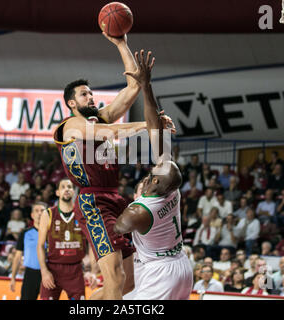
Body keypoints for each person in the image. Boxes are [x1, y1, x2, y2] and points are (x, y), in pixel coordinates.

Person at [52, 35, 172, 300]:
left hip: (115, 197)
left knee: (126, 283)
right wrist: (146, 124)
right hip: (92, 201)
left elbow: (132, 87)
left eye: (91, 92)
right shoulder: (69, 126)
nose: (90, 96)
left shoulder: (99, 116)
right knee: (115, 278)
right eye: (84, 94)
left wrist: (121, 43)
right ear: (72, 103)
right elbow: (106, 132)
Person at [113, 50, 191, 300]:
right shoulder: (171, 189)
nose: (151, 167)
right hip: (179, 265)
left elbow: (118, 226)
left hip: (161, 273)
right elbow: (153, 129)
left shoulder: (139, 211)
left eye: (153, 170)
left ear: (155, 181)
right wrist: (146, 86)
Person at [37, 178, 89, 300]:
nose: (67, 189)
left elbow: (91, 242)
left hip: (76, 270)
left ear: (73, 192)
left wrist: (91, 268)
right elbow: (40, 246)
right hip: (53, 269)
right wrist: (44, 271)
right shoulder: (48, 214)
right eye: (63, 187)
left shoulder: (82, 213)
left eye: (70, 187)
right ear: (57, 192)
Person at [10, 202, 46, 300]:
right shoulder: (25, 233)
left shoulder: (52, 233)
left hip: (47, 274)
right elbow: (17, 256)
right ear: (32, 215)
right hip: (30, 274)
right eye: (36, 211)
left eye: (42, 211)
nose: (39, 213)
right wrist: (13, 278)